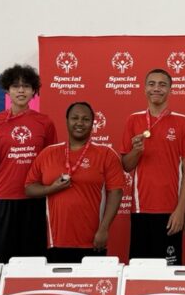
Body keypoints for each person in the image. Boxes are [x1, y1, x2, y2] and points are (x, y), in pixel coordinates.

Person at [25, 102, 124, 263]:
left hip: (92, 241)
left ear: (93, 123)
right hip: (54, 240)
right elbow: (29, 188)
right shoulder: (48, 153)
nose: (79, 123)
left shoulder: (106, 154)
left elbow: (116, 192)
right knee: (59, 287)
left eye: (85, 119)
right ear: (66, 121)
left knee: (89, 287)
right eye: (75, 118)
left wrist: (104, 229)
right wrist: (51, 188)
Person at [0, 64, 57, 262]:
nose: (21, 90)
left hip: (34, 201)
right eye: (15, 86)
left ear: (34, 91)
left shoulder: (45, 122)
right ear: (7, 90)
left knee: (33, 262)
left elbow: (50, 163)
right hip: (2, 199)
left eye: (26, 86)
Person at [121, 68, 185, 265]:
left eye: (162, 85)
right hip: (141, 210)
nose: (157, 88)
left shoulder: (183, 122)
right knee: (139, 272)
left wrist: (181, 209)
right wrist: (136, 151)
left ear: (170, 90)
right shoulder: (133, 120)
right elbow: (126, 165)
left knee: (169, 273)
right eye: (152, 84)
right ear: (144, 88)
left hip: (171, 211)